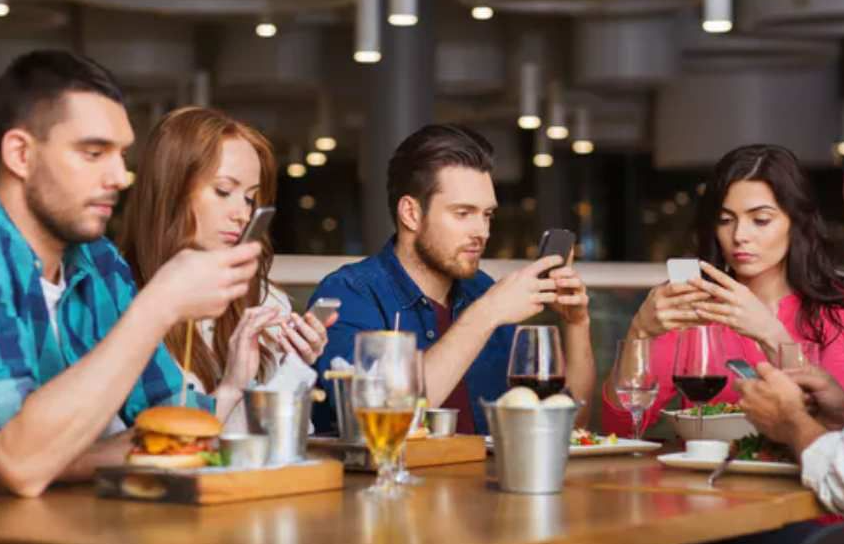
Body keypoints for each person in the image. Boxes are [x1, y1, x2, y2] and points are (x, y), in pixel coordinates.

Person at [0, 51, 260, 497]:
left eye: (121, 155)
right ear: (21, 155)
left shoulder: (101, 262)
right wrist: (158, 305)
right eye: (94, 152)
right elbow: (20, 463)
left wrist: (69, 457)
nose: (121, 176)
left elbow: (183, 427)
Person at [309, 124, 595, 434]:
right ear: (411, 213)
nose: (482, 232)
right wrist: (486, 314)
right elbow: (379, 422)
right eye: (463, 213)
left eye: (487, 215)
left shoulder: (484, 292)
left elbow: (567, 426)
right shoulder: (348, 293)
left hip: (483, 483)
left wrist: (578, 323)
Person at [602, 144, 844, 437]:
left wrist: (769, 332)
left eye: (761, 220)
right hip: (704, 478)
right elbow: (621, 426)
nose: (740, 236)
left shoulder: (835, 309)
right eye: (726, 220)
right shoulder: (692, 305)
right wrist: (639, 332)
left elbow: (832, 432)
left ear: (797, 223)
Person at [119, 107, 335, 431]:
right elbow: (143, 444)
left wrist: (294, 366)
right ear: (171, 190)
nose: (242, 214)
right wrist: (231, 387)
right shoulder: (115, 297)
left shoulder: (264, 300)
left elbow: (281, 441)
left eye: (250, 199)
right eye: (223, 191)